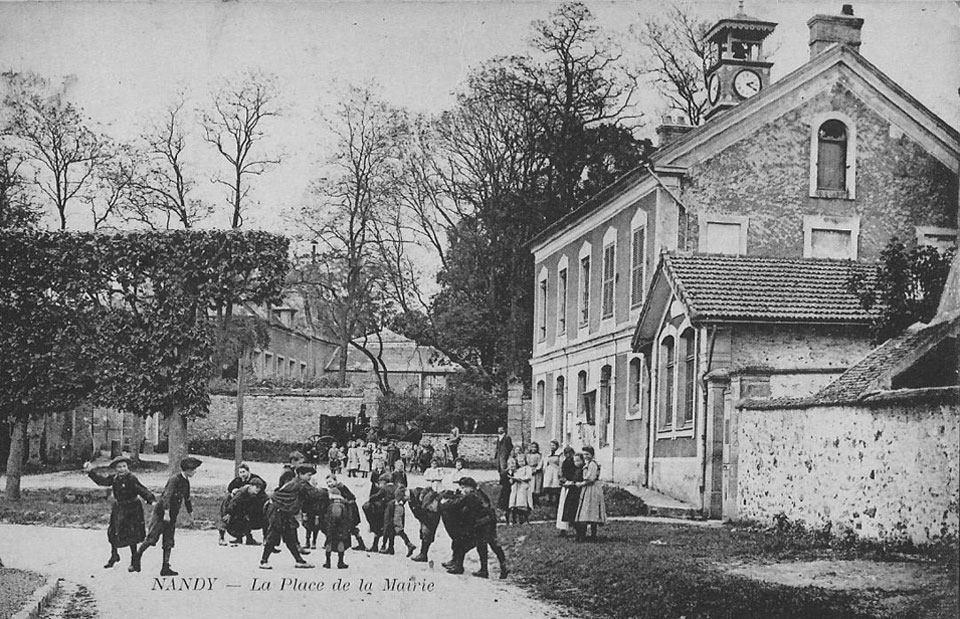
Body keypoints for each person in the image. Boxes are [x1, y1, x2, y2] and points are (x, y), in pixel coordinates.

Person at [132, 456, 201, 576]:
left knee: (168, 541)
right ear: (188, 470)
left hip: (172, 515)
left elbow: (187, 499)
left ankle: (165, 567)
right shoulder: (174, 479)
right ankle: (137, 556)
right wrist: (166, 513)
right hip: (161, 513)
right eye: (194, 469)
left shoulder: (186, 482)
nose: (195, 472)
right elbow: (166, 497)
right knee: (152, 539)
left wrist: (191, 514)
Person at [84, 456, 156, 570]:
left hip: (132, 508)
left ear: (127, 467)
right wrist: (90, 472)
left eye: (124, 466)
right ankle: (114, 555)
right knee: (113, 532)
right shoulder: (114, 478)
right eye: (119, 467)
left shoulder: (131, 478)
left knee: (132, 534)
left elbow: (141, 489)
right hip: (119, 507)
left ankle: (134, 561)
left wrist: (151, 499)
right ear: (115, 469)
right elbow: (102, 481)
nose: (122, 469)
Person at [259, 464, 326, 570]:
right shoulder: (301, 484)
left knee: (289, 535)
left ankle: (299, 561)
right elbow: (314, 494)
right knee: (273, 534)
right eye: (308, 475)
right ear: (300, 474)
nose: (310, 477)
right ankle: (263, 561)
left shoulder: (296, 482)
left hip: (282, 510)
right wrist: (328, 492)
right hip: (277, 509)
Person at [448, 477, 508, 579]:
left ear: (470, 487)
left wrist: (447, 501)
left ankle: (459, 567)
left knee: (463, 544)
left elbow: (456, 505)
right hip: (489, 521)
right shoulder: (480, 493)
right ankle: (503, 567)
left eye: (463, 488)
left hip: (481, 523)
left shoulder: (470, 496)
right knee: (492, 544)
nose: (462, 490)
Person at [219, 463, 267, 546]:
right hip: (231, 503)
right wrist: (229, 513)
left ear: (248, 472)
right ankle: (222, 538)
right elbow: (233, 499)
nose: (242, 474)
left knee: (250, 517)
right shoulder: (241, 488)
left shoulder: (256, 482)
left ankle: (250, 539)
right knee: (227, 518)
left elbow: (264, 491)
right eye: (240, 472)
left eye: (244, 472)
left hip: (244, 505)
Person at [324, 475, 367, 551]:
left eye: (330, 481)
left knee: (351, 527)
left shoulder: (341, 487)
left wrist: (343, 501)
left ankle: (361, 544)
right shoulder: (334, 488)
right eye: (327, 482)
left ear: (335, 480)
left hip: (350, 510)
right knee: (348, 528)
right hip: (345, 510)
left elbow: (352, 497)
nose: (329, 484)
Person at [574, 446, 607, 542]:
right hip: (587, 489)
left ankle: (593, 535)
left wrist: (581, 484)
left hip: (592, 489)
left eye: (587, 454)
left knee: (592, 511)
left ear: (592, 454)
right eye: (584, 454)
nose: (585, 456)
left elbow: (590, 479)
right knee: (586, 512)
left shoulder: (592, 464)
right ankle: (584, 535)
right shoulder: (587, 463)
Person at [407, 486, 442, 563]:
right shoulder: (428, 495)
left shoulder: (425, 498)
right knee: (425, 535)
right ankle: (423, 554)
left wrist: (412, 505)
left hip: (429, 517)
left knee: (426, 534)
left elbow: (420, 513)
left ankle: (423, 554)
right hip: (431, 517)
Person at [381, 486, 417, 557]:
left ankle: (409, 544)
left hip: (397, 507)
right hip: (399, 507)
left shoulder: (397, 490)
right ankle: (391, 548)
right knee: (393, 527)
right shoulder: (401, 489)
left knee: (397, 528)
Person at [362, 476, 396, 552]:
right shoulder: (395, 487)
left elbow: (376, 496)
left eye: (380, 483)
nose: (379, 485)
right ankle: (390, 547)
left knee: (378, 527)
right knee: (391, 529)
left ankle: (376, 546)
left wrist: (371, 498)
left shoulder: (384, 488)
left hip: (384, 511)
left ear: (384, 482)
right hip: (393, 510)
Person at [322, 486, 352, 569]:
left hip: (330, 526)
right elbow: (349, 517)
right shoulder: (345, 504)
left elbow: (324, 516)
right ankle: (340, 562)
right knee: (341, 542)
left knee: (329, 542)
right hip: (342, 527)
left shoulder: (329, 504)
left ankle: (328, 562)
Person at [557, 450, 583, 536]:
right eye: (566, 453)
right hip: (568, 486)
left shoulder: (576, 466)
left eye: (570, 453)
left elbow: (576, 478)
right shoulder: (565, 462)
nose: (568, 455)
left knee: (572, 510)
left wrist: (569, 481)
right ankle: (563, 528)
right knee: (564, 508)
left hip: (573, 488)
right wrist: (562, 479)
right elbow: (562, 473)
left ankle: (578, 531)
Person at [508, 455, 532, 525]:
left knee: (523, 502)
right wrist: (512, 479)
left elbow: (528, 477)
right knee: (516, 502)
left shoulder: (527, 468)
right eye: (519, 461)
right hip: (516, 487)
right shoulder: (517, 470)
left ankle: (525, 519)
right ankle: (517, 519)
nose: (521, 463)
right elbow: (513, 478)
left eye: (522, 461)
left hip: (523, 486)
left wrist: (520, 478)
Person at [542, 440, 562, 506]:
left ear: (556, 446)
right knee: (548, 485)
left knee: (555, 485)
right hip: (549, 471)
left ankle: (555, 501)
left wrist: (560, 471)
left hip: (556, 470)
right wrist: (544, 469)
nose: (552, 447)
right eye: (551, 445)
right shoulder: (548, 454)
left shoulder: (559, 454)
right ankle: (548, 500)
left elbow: (560, 463)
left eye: (553, 445)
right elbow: (545, 462)